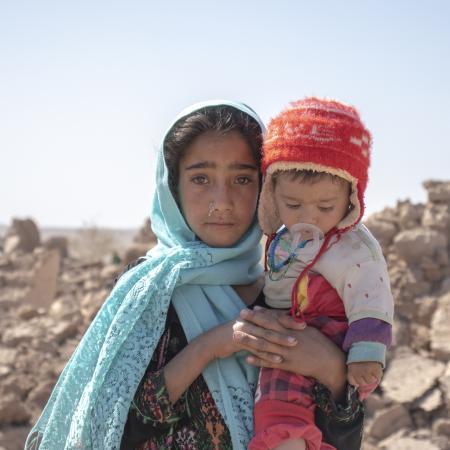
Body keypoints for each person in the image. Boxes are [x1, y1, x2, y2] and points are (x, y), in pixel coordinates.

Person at [25, 100, 363, 450]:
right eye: (201, 178)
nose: (223, 201)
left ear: (267, 188)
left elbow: (341, 439)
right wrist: (208, 347)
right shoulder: (147, 292)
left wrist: (334, 372)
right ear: (173, 187)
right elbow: (105, 430)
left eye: (243, 179)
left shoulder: (293, 292)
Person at [249, 97, 394, 450]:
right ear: (271, 195)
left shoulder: (354, 247)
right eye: (292, 205)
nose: (307, 217)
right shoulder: (279, 242)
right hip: (290, 337)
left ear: (350, 199)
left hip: (336, 339)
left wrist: (366, 353)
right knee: (278, 408)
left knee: (287, 410)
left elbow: (371, 297)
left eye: (325, 206)